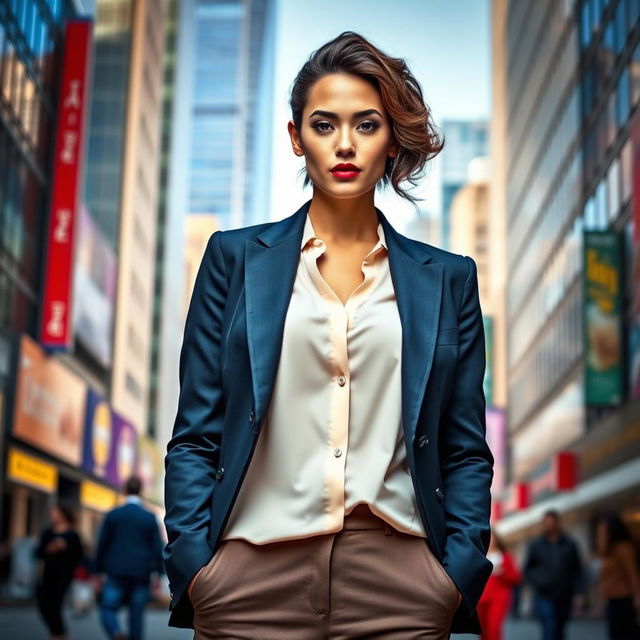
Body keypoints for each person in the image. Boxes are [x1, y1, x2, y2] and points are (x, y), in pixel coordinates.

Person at [164, 30, 493, 640]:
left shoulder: (448, 279)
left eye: (367, 125)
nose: (345, 144)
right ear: (296, 137)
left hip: (402, 582)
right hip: (248, 574)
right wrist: (194, 566)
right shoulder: (232, 260)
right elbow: (196, 435)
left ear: (392, 138)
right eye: (324, 124)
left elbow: (464, 446)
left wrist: (455, 573)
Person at [93, 476, 164, 640]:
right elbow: (157, 548)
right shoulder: (149, 517)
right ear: (141, 491)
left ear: (124, 490)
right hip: (141, 572)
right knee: (136, 614)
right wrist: (158, 575)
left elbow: (102, 544)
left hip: (115, 571)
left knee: (108, 608)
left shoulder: (113, 515)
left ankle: (116, 631)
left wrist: (96, 572)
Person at [524, 509, 584, 640]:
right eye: (545, 522)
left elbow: (577, 570)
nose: (547, 525)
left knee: (560, 630)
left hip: (564, 594)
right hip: (544, 595)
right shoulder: (536, 544)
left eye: (550, 522)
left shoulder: (569, 544)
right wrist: (539, 581)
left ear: (557, 523)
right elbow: (528, 569)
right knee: (549, 629)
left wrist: (579, 593)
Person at [34, 503, 84, 640]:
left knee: (56, 604)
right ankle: (58, 632)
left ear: (63, 514)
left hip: (65, 574)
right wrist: (49, 548)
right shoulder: (48, 533)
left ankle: (58, 634)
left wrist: (64, 547)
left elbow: (79, 555)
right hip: (47, 573)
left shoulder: (72, 534)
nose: (53, 515)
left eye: (55, 512)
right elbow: (38, 552)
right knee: (44, 604)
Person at [595, 514, 640, 640]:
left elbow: (632, 573)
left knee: (625, 633)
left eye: (603, 532)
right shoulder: (607, 552)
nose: (600, 535)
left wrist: (637, 596)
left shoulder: (623, 548)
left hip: (624, 598)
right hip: (612, 599)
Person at [476, 530, 522, 640]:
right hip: (480, 599)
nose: (490, 540)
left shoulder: (504, 557)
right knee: (483, 631)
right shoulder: (479, 555)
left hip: (498, 599)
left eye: (492, 537)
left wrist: (503, 573)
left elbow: (516, 577)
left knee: (494, 629)